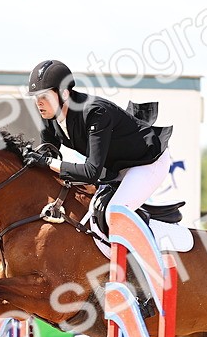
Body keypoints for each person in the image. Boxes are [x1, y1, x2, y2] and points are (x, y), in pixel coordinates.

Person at [25, 59, 181, 238]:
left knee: (114, 214)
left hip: (147, 162)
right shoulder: (49, 117)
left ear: (64, 94)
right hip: (117, 166)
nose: (39, 103)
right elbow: (48, 154)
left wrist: (47, 161)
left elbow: (91, 171)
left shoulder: (95, 112)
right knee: (90, 210)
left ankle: (149, 264)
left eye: (44, 96)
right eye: (36, 97)